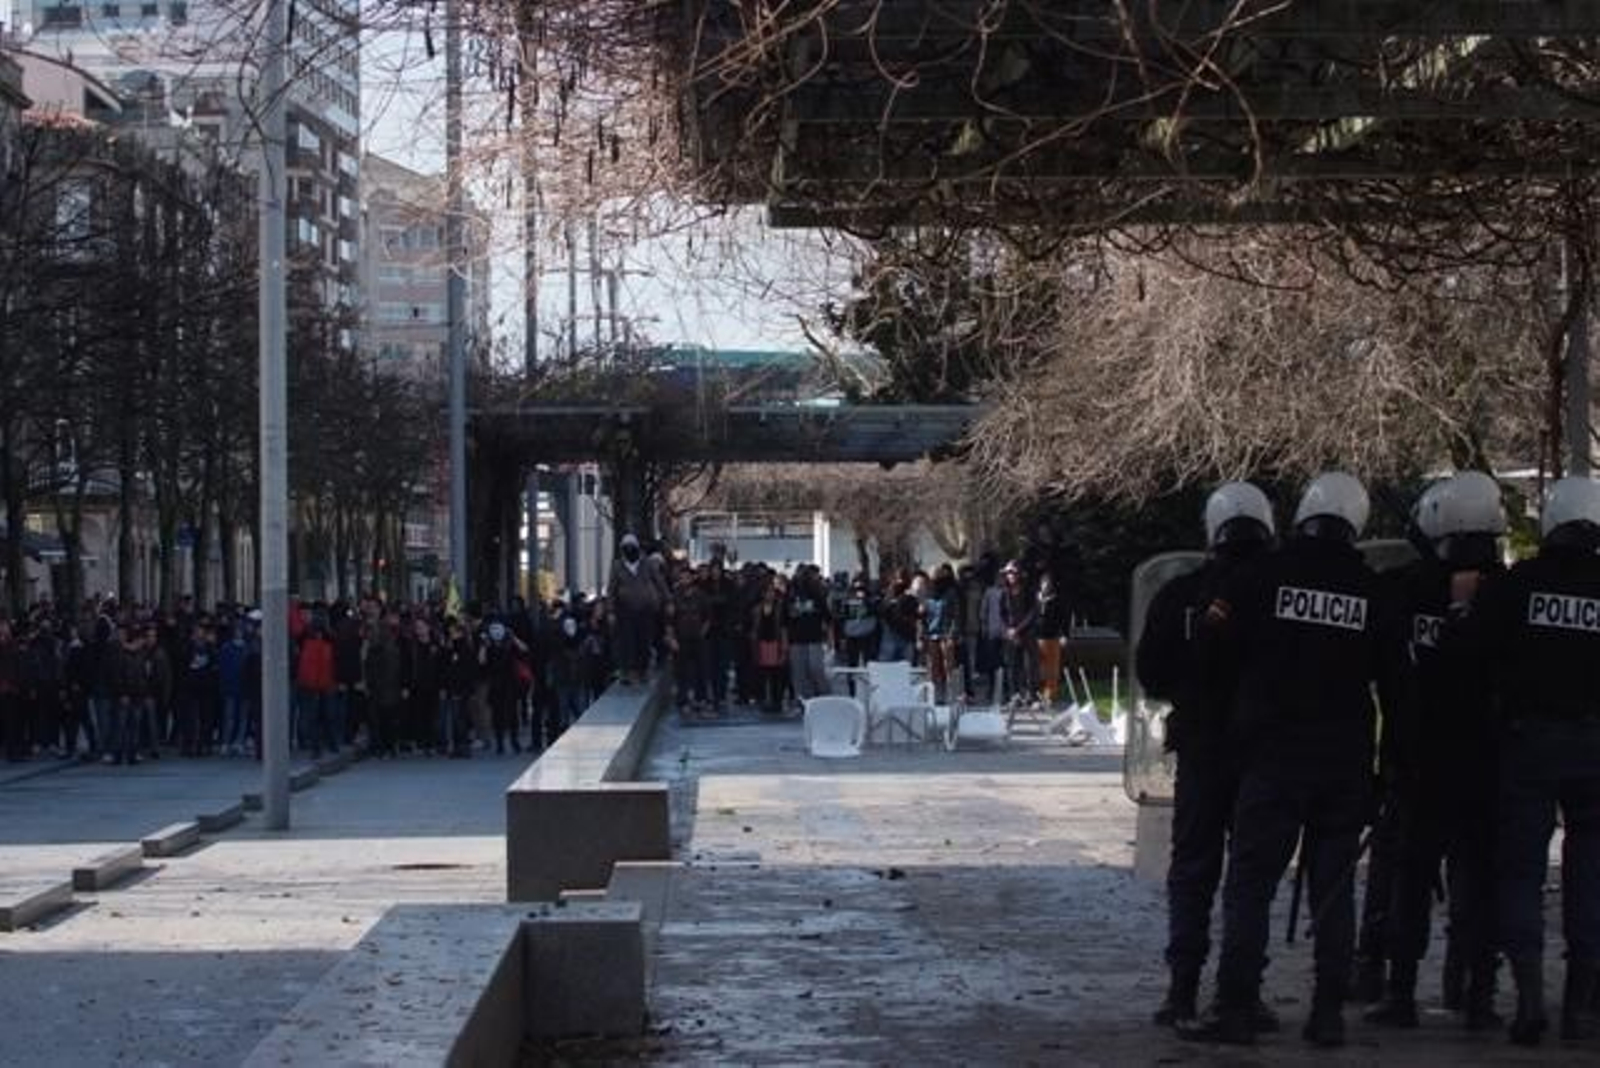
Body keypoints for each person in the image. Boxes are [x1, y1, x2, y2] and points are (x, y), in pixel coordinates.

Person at [1190, 472, 1398, 1048]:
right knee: (1334, 889)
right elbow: (1396, 686)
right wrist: (1390, 768)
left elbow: (1211, 651)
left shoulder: (1262, 577)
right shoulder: (1371, 590)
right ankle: (1327, 1012)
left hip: (1273, 757)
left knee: (1251, 885)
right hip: (1344, 762)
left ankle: (1234, 1006)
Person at [1445, 475, 1600, 1045]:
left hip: (1528, 744)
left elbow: (1469, 655)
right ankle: (1581, 1007)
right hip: (1595, 749)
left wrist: (1463, 609)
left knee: (1520, 873)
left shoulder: (1520, 585)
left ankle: (1529, 996)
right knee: (1592, 878)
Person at [1366, 472, 1506, 1032]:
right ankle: (1476, 991)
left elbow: (1383, 666)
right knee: (1480, 877)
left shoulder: (1403, 587)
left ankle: (1399, 988)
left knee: (1412, 875)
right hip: (1487, 758)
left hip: (1419, 756)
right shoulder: (1510, 592)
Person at [1137, 482, 1278, 1031]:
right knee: (1251, 876)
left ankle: (1181, 990)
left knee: (1193, 869)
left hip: (1201, 747)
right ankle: (1239, 992)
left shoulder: (1181, 593)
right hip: (1265, 753)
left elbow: (1152, 672)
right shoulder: (1278, 591)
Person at [607, 533, 671, 684]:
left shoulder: (647, 563)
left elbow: (660, 582)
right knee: (627, 641)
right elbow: (612, 589)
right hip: (626, 609)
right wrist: (610, 610)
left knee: (644, 639)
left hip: (646, 608)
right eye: (625, 548)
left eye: (632, 548)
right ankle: (628, 671)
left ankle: (643, 670)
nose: (629, 551)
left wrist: (668, 600)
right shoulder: (617, 566)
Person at [784, 566, 833, 702]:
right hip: (796, 639)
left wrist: (830, 639)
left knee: (816, 668)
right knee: (799, 673)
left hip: (814, 638)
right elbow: (784, 620)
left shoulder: (817, 596)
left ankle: (825, 697)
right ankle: (803, 701)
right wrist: (785, 641)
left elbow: (828, 618)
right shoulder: (790, 596)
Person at [999, 561, 1037, 705]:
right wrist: (1008, 630)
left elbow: (1032, 612)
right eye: (1008, 573)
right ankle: (1014, 695)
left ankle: (1031, 695)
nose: (1010, 575)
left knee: (1029, 666)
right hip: (1010, 634)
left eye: (1013, 572)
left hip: (1026, 632)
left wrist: (1018, 629)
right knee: (1012, 665)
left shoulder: (1028, 589)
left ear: (1019, 573)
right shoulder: (1004, 592)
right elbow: (1001, 613)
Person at [1034, 570, 1068, 707]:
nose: (1046, 585)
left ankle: (1049, 696)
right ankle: (1038, 695)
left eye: (1048, 583)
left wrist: (1064, 635)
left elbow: (1064, 619)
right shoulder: (1035, 598)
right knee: (1038, 669)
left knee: (1052, 669)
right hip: (1037, 638)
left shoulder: (1057, 600)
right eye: (1044, 583)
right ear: (1040, 584)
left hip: (1052, 638)